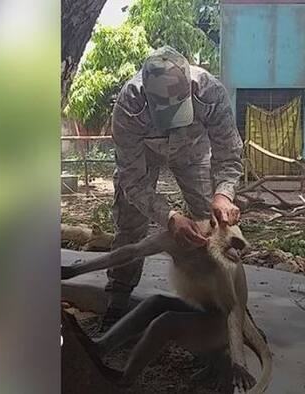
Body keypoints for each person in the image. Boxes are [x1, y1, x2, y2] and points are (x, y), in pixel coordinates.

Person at [101, 46, 243, 329]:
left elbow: (229, 154)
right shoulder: (128, 106)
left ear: (190, 88)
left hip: (193, 153)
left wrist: (224, 194)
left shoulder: (211, 93)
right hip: (145, 157)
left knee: (215, 224)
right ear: (146, 97)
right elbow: (133, 179)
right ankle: (117, 299)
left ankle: (231, 310)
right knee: (130, 226)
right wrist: (169, 217)